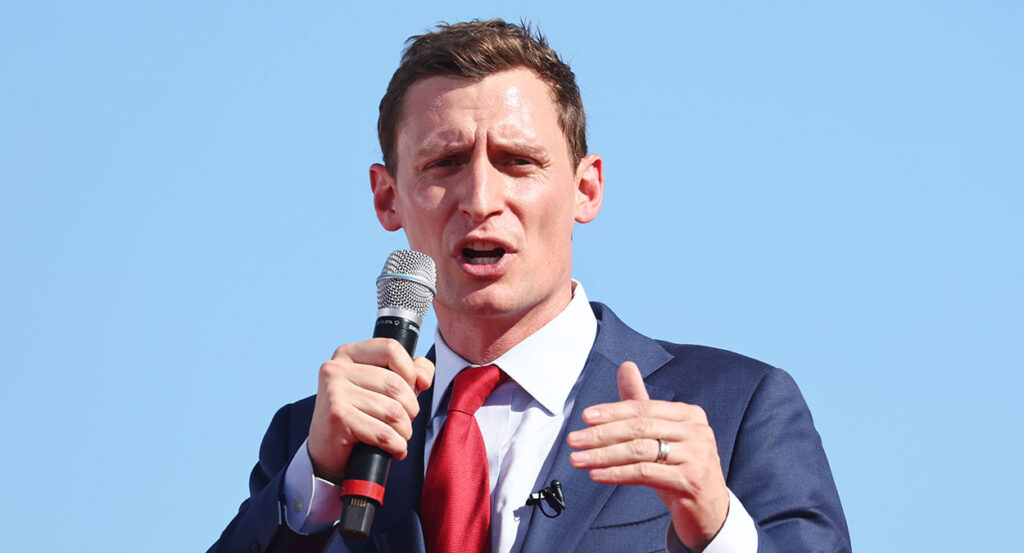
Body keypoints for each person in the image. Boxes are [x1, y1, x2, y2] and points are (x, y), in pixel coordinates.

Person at [209, 19, 850, 553]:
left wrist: (716, 528)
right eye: (444, 163)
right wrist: (317, 481)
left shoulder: (736, 409)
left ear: (586, 188)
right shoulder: (311, 441)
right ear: (387, 198)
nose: (480, 198)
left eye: (517, 161)